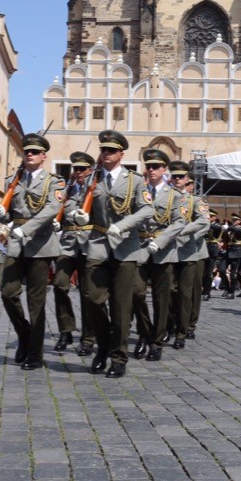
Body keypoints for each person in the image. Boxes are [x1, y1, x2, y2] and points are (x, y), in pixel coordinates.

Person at [67, 131, 142, 376]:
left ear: (121, 154)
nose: (106, 154)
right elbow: (74, 203)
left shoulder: (134, 180)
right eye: (103, 150)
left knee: (120, 307)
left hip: (125, 247)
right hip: (98, 243)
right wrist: (77, 214)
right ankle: (103, 345)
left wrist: (123, 225)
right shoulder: (91, 180)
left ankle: (118, 357)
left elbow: (147, 210)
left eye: (111, 150)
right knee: (93, 299)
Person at [0, 132, 65, 371]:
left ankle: (35, 352)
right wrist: (1, 216)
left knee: (36, 302)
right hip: (16, 243)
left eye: (34, 152)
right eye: (27, 151)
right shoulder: (13, 180)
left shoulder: (54, 181)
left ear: (44, 156)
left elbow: (51, 209)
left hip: (41, 245)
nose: (29, 155)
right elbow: (10, 211)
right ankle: (24, 334)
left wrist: (27, 229)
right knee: (8, 292)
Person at [114, 148, 187, 363]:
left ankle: (156, 343)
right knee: (136, 293)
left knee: (161, 300)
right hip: (138, 248)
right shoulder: (138, 189)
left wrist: (159, 242)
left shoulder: (175, 195)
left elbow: (179, 223)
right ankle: (145, 333)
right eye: (148, 166)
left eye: (156, 166)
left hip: (163, 251)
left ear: (164, 169)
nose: (151, 170)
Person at [52, 150, 96, 354]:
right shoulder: (66, 190)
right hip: (67, 244)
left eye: (82, 169)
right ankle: (66, 330)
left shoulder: (96, 190)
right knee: (60, 285)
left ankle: (88, 337)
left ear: (90, 170)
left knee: (88, 293)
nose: (78, 172)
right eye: (75, 169)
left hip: (89, 244)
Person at [165, 161, 209, 349]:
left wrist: (182, 234)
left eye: (180, 177)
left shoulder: (195, 201)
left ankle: (187, 326)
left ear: (188, 180)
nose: (176, 179)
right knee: (169, 290)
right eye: (173, 176)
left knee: (190, 291)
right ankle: (170, 325)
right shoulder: (164, 198)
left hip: (191, 250)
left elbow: (203, 224)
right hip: (168, 249)